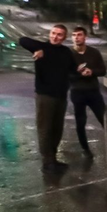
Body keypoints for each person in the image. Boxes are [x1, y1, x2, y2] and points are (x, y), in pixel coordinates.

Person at [19, 24, 76, 171]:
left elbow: (74, 69)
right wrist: (37, 50)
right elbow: (22, 40)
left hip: (61, 96)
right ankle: (47, 161)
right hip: (45, 96)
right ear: (50, 34)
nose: (55, 37)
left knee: (57, 129)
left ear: (64, 37)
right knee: (45, 128)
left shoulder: (66, 52)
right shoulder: (42, 47)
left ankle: (53, 158)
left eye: (59, 35)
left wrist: (83, 71)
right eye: (53, 33)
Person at [69, 26, 107, 156]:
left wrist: (91, 72)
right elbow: (65, 74)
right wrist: (79, 74)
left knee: (105, 119)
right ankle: (85, 149)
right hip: (77, 92)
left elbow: (103, 70)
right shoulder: (68, 54)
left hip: (93, 92)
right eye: (74, 35)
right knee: (80, 121)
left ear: (85, 37)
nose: (76, 37)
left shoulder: (94, 52)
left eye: (79, 35)